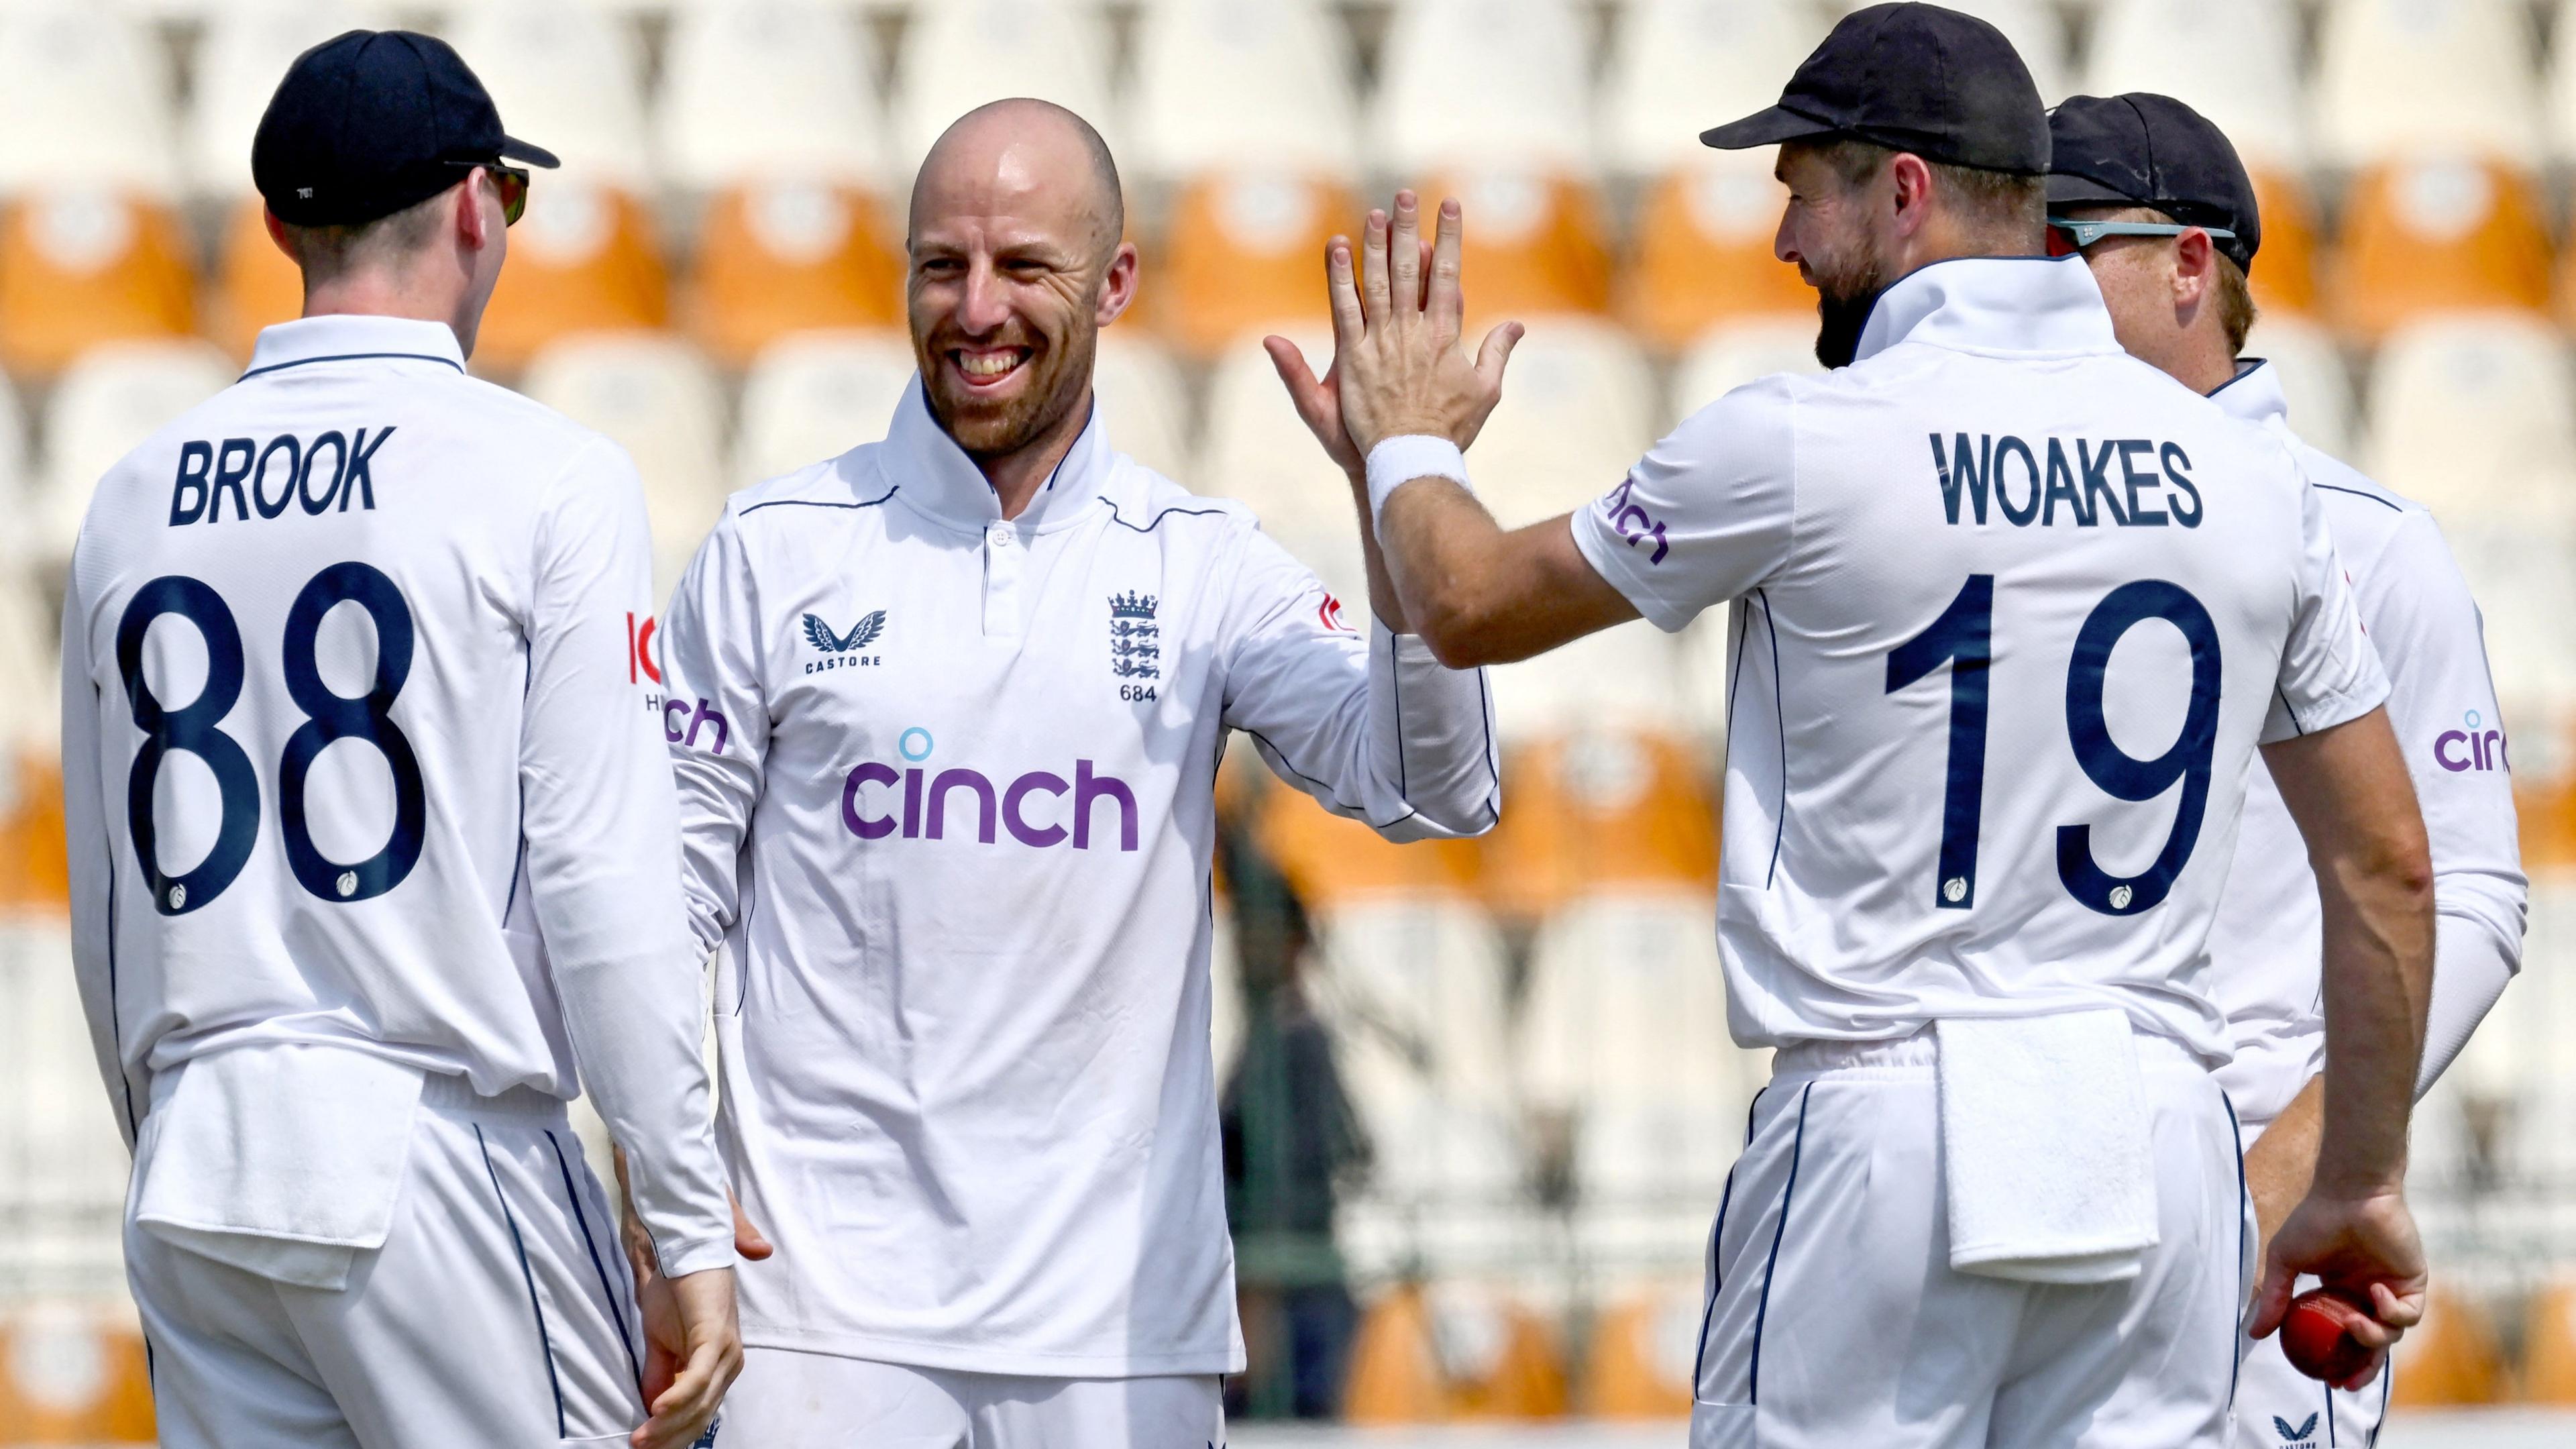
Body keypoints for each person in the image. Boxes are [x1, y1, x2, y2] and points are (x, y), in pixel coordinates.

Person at [1275, 5, 2434, 1444]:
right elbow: (2388, 870)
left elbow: (1460, 601)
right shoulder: (2255, 483)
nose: (1781, 240)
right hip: (2158, 1137)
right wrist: (2361, 1180)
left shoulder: (1800, 438)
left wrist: (1401, 438)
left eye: (1801, 186)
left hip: (1892, 1121)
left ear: (1900, 191)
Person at [654, 98, 1497, 1448]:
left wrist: (1403, 483)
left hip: (1121, 1342)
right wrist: (671, 1189)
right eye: (944, 264)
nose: (976, 309)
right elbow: (662, 908)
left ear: (1114, 283)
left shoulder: (1201, 562)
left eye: (1024, 267)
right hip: (821, 1325)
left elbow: (1433, 787)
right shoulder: (772, 550)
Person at [56, 32, 739, 1449]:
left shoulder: (130, 495)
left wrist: (182, 1128)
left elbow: (108, 907)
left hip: (199, 1153)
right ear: (480, 205)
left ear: (280, 225)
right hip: (434, 1152)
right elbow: (604, 881)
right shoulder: (549, 477)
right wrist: (684, 1224)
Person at [2045, 91, 2527, 1442]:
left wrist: (2299, 1165)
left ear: (2192, 266)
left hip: (2249, 1202)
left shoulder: (2371, 544)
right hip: (2023, 1173)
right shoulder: (1980, 527)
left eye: (2061, 244)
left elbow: (2475, 897)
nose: (2017, 290)